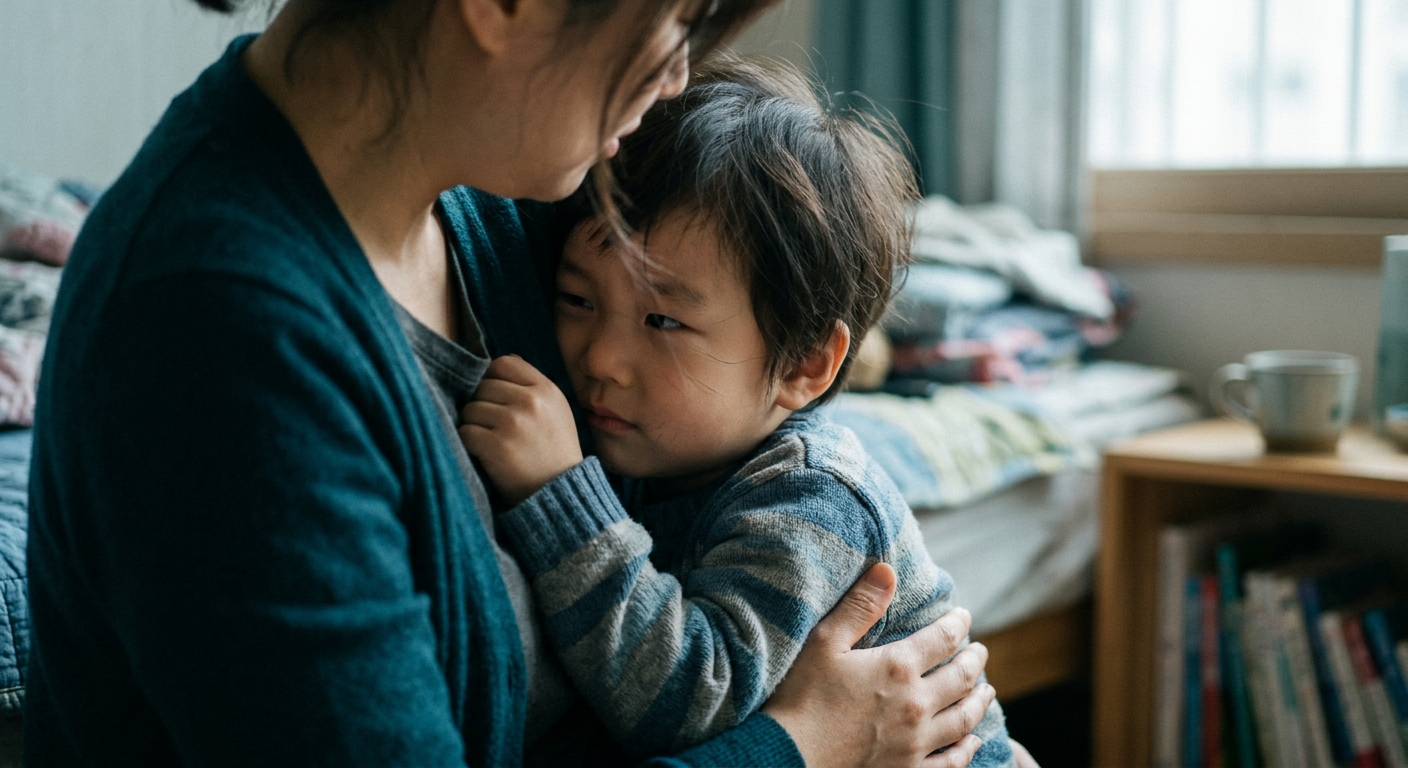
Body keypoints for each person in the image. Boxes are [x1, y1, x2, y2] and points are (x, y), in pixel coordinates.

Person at [24, 0, 1002, 765]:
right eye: (672, 25)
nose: (673, 78)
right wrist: (803, 745)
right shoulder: (217, 334)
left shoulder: (515, 199)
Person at [458, 57, 1017, 767]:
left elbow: (690, 705)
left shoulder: (810, 497)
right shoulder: (676, 454)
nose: (601, 359)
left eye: (662, 322)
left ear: (804, 364)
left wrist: (561, 499)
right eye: (578, 300)